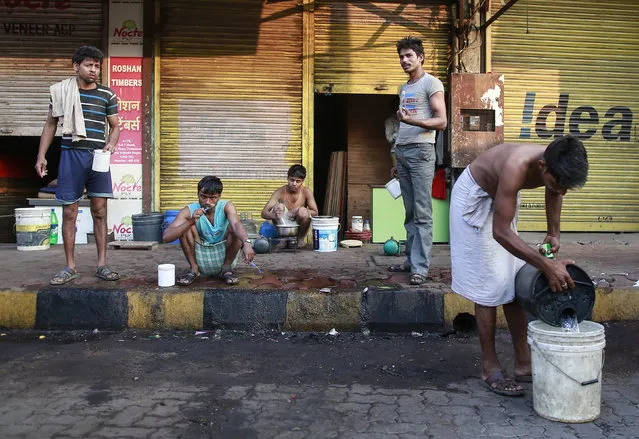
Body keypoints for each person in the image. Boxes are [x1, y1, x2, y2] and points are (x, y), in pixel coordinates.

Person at [449, 135, 589, 397]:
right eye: (559, 183)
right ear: (542, 167)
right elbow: (500, 233)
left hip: (502, 198)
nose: (563, 191)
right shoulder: (516, 166)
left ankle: (524, 363)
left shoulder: (554, 164)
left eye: (568, 187)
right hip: (475, 198)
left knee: (513, 282)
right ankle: (490, 367)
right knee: (489, 286)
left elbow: (555, 191)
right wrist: (547, 266)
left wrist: (554, 233)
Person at [35, 46, 120, 285]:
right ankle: (70, 266)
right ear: (76, 67)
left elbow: (115, 127)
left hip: (98, 157)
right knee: (69, 212)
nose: (94, 70)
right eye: (89, 65)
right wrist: (41, 156)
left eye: (97, 66)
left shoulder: (107, 94)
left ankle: (102, 264)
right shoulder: (62, 91)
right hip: (71, 155)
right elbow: (51, 124)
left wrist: (110, 146)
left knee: (100, 211)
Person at [387, 36, 447, 285]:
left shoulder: (431, 83)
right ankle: (411, 261)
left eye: (409, 55)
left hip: (422, 152)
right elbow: (404, 123)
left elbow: (442, 121)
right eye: (401, 56)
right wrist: (396, 155)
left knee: (422, 214)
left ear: (420, 57)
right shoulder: (404, 88)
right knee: (409, 212)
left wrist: (414, 122)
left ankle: (420, 268)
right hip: (404, 152)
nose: (404, 60)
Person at [163, 176, 255, 286]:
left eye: (213, 198)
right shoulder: (189, 210)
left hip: (224, 253)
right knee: (185, 227)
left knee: (234, 228)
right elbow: (166, 237)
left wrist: (246, 242)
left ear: (219, 196)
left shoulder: (226, 206)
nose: (207, 202)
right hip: (200, 254)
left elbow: (236, 224)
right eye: (203, 197)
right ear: (198, 194)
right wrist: (191, 221)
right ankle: (194, 269)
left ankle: (226, 268)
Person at [261, 164, 319, 246]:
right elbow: (263, 213)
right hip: (284, 225)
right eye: (292, 180)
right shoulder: (279, 191)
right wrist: (275, 215)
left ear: (302, 181)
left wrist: (296, 211)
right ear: (287, 178)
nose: (294, 184)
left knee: (303, 211)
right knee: (279, 207)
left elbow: (315, 212)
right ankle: (283, 240)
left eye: (298, 181)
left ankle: (300, 239)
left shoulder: (306, 192)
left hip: (299, 225)